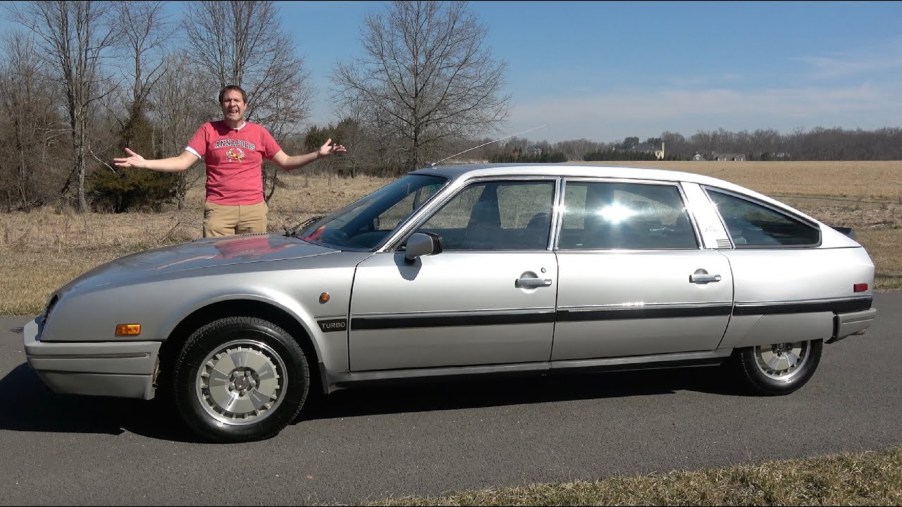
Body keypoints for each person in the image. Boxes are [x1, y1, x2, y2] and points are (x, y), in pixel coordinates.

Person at [113, 84, 347, 237]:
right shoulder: (208, 130)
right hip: (218, 211)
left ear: (245, 105)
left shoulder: (259, 133)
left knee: (252, 268)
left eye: (237, 100)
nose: (232, 104)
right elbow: (182, 162)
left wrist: (317, 154)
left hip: (253, 210)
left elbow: (285, 161)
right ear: (221, 105)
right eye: (227, 100)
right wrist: (145, 163)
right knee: (218, 270)